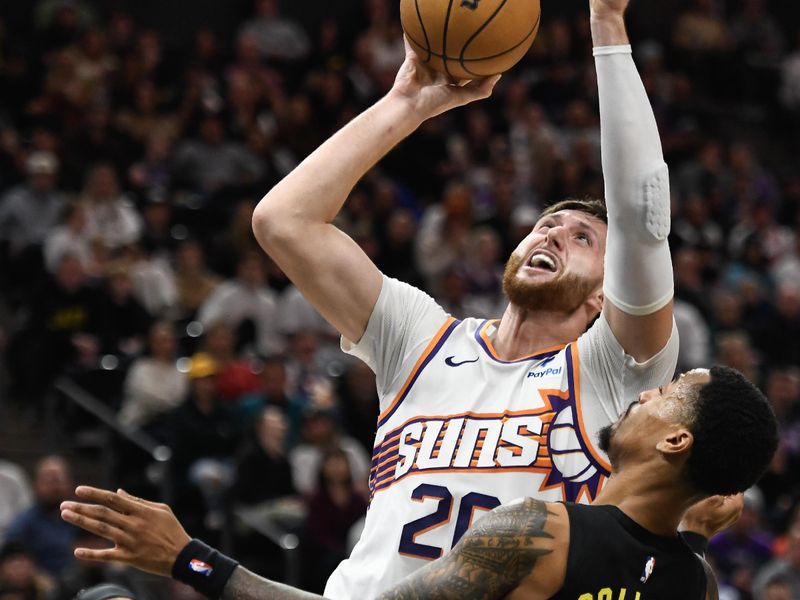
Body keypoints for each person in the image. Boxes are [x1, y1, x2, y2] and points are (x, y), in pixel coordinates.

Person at [247, 0, 681, 596]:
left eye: (583, 237)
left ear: (607, 295)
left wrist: (607, 24)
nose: (553, 233)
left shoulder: (613, 371)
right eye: (547, 224)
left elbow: (643, 215)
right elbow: (282, 221)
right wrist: (407, 104)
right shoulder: (420, 336)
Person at [59, 366, 779, 599]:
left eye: (670, 392)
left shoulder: (542, 530)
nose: (647, 394)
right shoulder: (694, 582)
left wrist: (190, 558)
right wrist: (688, 522)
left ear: (677, 441)